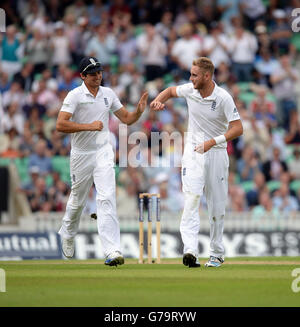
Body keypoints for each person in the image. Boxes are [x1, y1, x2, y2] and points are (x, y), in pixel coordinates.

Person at [150, 57, 243, 268]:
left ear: (207, 76)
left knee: (216, 207)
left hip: (217, 152)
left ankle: (216, 254)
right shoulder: (191, 90)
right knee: (191, 199)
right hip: (193, 152)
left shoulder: (223, 98)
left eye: (194, 75)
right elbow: (172, 90)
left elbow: (238, 128)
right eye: (190, 74)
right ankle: (190, 250)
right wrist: (159, 100)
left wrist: (213, 142)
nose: (190, 78)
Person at [56, 56, 148, 266]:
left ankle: (112, 250)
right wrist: (88, 126)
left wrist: (139, 112)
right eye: (92, 73)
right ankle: (68, 233)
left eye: (99, 72)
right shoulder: (75, 96)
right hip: (81, 154)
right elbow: (60, 124)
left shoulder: (108, 94)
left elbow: (126, 118)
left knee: (106, 197)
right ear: (82, 76)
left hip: (103, 152)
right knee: (78, 200)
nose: (97, 76)